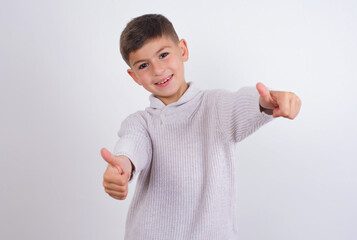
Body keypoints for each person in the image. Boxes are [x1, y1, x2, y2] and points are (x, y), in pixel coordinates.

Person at [100, 14, 301, 240]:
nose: (157, 70)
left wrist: (266, 102)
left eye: (164, 55)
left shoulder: (215, 106)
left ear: (183, 50)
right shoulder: (141, 123)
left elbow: (241, 104)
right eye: (144, 65)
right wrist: (122, 167)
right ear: (134, 76)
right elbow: (132, 145)